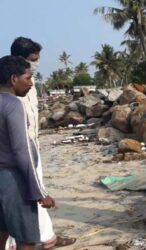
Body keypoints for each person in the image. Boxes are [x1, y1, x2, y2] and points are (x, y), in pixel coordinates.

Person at [8, 37, 76, 249]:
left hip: (30, 149)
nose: (37, 64)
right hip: (17, 153)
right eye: (33, 60)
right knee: (26, 198)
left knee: (33, 194)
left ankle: (47, 237)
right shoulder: (10, 89)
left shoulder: (29, 82)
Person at [0, 55, 56, 250]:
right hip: (14, 181)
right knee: (27, 240)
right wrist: (38, 192)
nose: (31, 83)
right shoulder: (13, 104)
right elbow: (21, 150)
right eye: (28, 78)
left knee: (2, 232)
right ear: (13, 79)